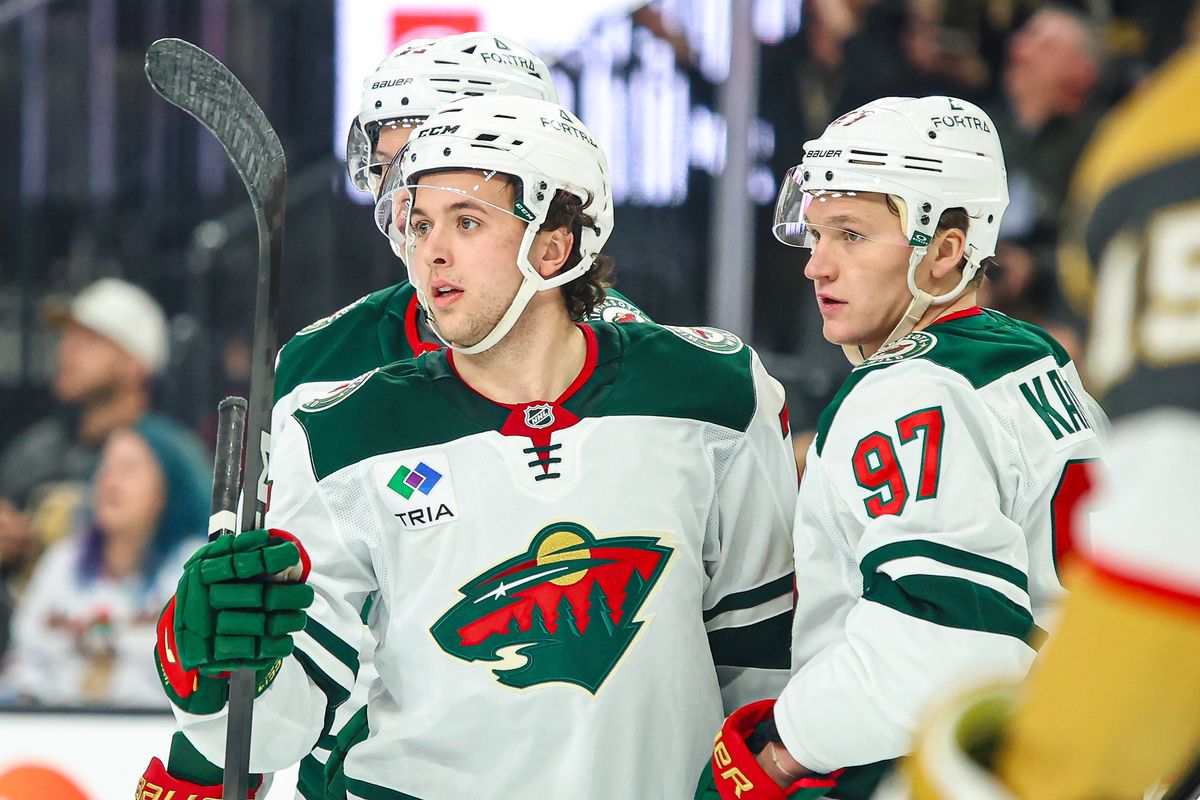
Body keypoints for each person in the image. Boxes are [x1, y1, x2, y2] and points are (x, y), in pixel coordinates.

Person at [145, 95, 797, 799]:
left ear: (554, 246)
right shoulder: (342, 430)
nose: (431, 250)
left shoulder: (712, 393)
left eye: (467, 221)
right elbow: (274, 732)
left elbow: (763, 664)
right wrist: (213, 664)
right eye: (421, 223)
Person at [697, 96, 1106, 800]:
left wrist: (781, 748)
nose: (816, 266)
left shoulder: (905, 391)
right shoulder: (1028, 350)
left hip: (962, 766)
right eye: (816, 234)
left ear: (946, 250)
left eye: (851, 235)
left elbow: (943, 647)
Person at [895, 24, 1200, 800]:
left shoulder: (1160, 143)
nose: (816, 264)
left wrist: (1019, 773)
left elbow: (1173, 547)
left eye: (852, 232)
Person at [0, 278, 169, 659]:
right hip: (36, 664)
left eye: (90, 340)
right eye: (67, 338)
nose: (67, 350)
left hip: (139, 665)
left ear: (136, 363)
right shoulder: (34, 451)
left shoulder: (170, 459)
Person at [0, 417, 208, 708]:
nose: (111, 482)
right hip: (54, 726)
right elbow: (24, 663)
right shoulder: (62, 561)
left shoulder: (193, 568)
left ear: (170, 485)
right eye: (105, 468)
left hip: (154, 727)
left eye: (129, 469)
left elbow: (200, 679)